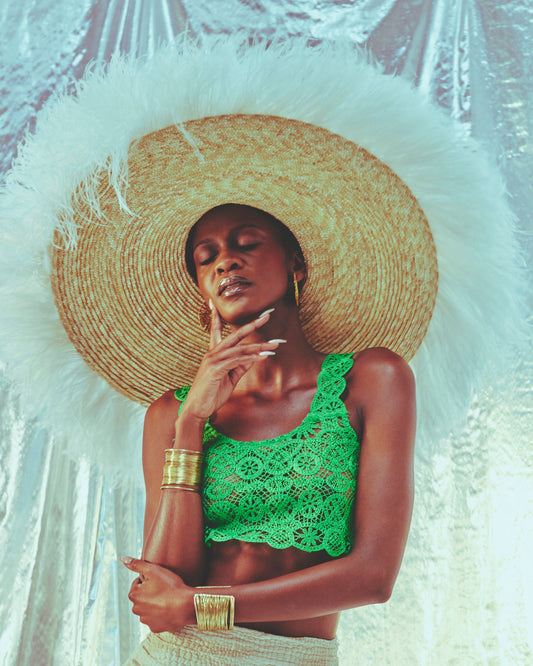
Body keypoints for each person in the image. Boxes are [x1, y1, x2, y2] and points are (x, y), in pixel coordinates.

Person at [121, 202, 417, 665]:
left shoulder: (374, 379)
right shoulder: (171, 414)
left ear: (296, 262)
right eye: (206, 257)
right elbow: (161, 588)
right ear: (201, 286)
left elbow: (373, 577)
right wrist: (192, 424)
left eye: (247, 243)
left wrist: (202, 606)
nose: (225, 262)